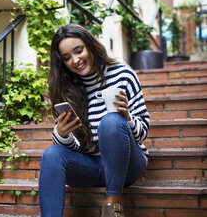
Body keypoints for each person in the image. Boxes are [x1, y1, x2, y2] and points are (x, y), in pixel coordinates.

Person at [38, 24, 150, 217]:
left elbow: (143, 132)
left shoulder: (123, 74)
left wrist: (127, 118)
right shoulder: (65, 89)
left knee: (111, 122)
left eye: (78, 50)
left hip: (127, 166)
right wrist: (62, 135)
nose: (75, 60)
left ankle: (111, 207)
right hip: (90, 167)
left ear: (90, 45)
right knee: (52, 154)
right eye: (66, 58)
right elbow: (77, 148)